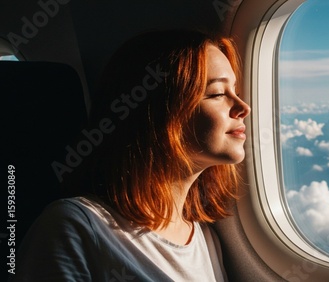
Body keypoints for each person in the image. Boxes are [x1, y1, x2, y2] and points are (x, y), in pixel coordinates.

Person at [12, 29, 251, 281]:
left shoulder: (204, 238)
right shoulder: (74, 228)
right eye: (217, 94)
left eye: (234, 90)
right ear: (160, 112)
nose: (243, 107)